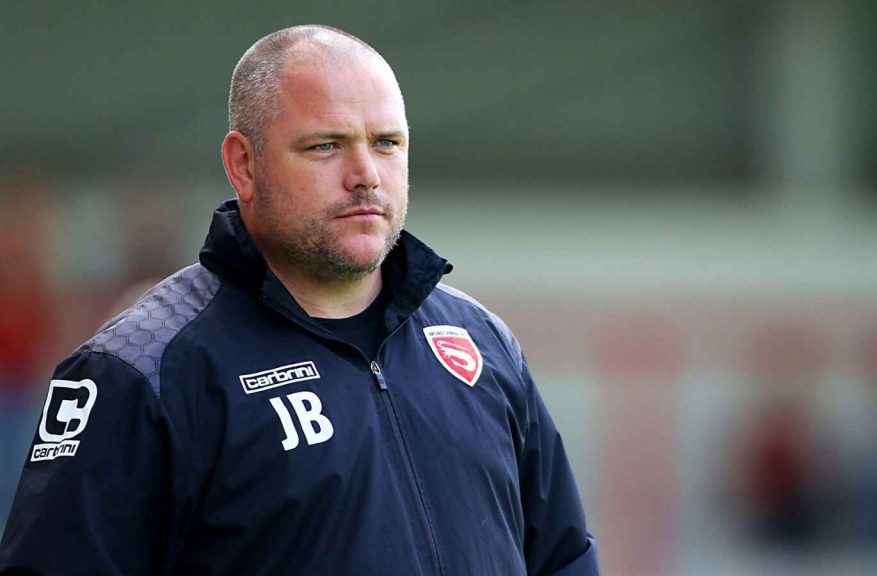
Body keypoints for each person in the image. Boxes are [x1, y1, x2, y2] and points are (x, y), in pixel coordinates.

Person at [0, 25, 599, 575]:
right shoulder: (143, 370)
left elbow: (563, 557)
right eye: (326, 146)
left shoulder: (482, 346)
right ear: (244, 164)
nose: (366, 173)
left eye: (387, 143)